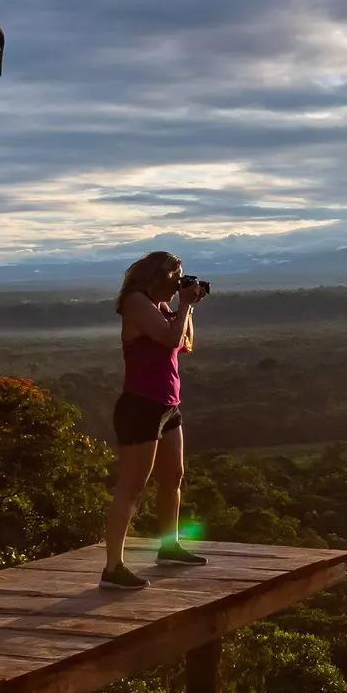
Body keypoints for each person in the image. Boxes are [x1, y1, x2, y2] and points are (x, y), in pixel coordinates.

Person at [100, 250, 208, 589]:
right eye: (175, 279)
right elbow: (168, 338)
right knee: (132, 487)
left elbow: (185, 343)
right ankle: (113, 568)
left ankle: (169, 545)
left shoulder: (160, 307)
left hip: (167, 405)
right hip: (141, 406)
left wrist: (186, 308)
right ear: (158, 276)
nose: (178, 285)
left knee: (173, 477)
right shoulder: (135, 302)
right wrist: (186, 306)